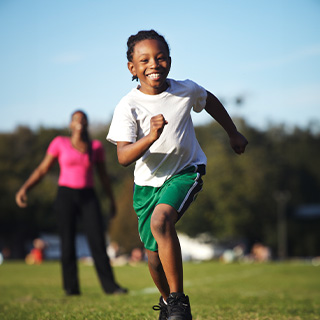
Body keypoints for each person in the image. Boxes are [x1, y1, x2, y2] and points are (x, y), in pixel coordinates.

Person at [107, 30, 248, 320]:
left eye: (160, 58)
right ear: (131, 68)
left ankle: (178, 301)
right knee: (153, 257)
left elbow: (209, 101)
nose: (153, 64)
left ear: (169, 61)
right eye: (144, 60)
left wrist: (233, 132)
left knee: (162, 221)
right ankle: (166, 301)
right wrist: (150, 137)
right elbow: (123, 157)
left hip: (185, 171)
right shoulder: (128, 106)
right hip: (146, 186)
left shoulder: (185, 90)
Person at [16, 110, 127, 296]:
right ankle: (71, 288)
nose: (80, 122)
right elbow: (43, 169)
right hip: (65, 195)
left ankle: (111, 287)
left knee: (98, 241)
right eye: (76, 119)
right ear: (70, 124)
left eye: (83, 119)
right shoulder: (60, 143)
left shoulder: (96, 147)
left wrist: (112, 200)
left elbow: (104, 177)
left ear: (86, 124)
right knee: (67, 241)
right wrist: (25, 188)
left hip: (88, 196)